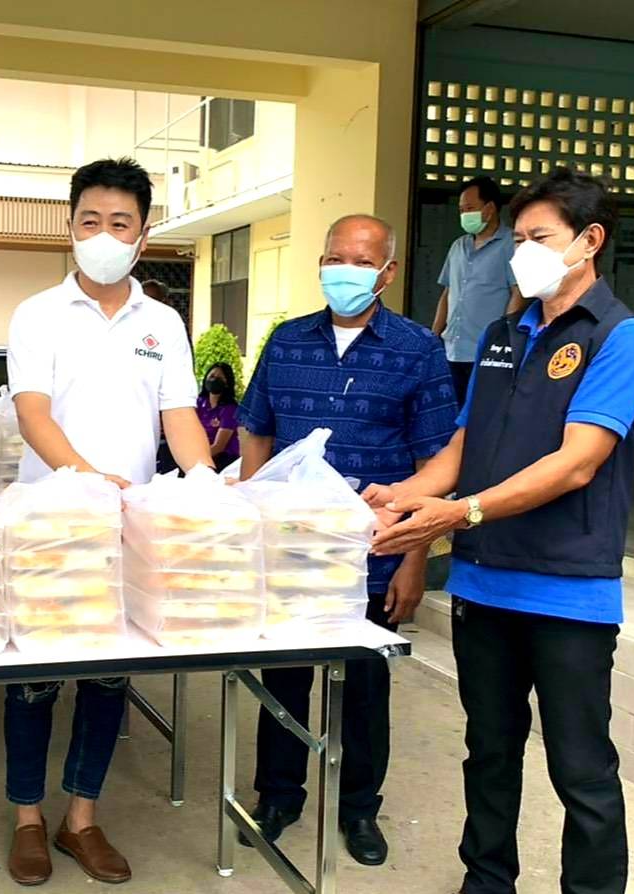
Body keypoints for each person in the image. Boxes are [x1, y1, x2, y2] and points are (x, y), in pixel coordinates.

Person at [365, 169, 634, 894]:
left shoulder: (621, 338)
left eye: (539, 237)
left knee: (580, 767)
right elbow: (464, 446)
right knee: (489, 751)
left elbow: (576, 463)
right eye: (519, 237)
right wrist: (402, 495)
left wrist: (461, 512)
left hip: (567, 592)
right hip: (483, 584)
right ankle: (487, 880)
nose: (523, 251)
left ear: (589, 241)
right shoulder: (503, 335)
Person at [5, 157, 214, 886]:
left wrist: (204, 483)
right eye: (89, 220)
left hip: (131, 525)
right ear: (69, 227)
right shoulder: (37, 314)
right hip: (51, 525)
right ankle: (27, 819)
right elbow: (33, 415)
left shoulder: (162, 322)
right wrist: (87, 479)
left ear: (143, 234)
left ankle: (81, 819)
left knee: (106, 677)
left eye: (119, 223)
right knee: (33, 677)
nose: (103, 234)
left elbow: (178, 415)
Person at [237, 213, 458, 867]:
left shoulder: (418, 349)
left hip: (374, 556)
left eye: (362, 261)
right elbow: (256, 431)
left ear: (387, 272)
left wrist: (414, 558)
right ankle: (279, 796)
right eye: (336, 257)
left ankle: (359, 808)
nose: (346, 271)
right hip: (292, 549)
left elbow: (434, 461)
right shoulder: (287, 342)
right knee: (282, 683)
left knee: (365, 690)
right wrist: (251, 519)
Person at [433, 176, 524, 405]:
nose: (464, 214)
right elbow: (448, 293)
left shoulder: (511, 244)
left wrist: (503, 337)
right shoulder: (458, 246)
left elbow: (518, 292)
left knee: (480, 412)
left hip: (485, 351)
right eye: (461, 210)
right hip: (451, 350)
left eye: (469, 208)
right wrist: (434, 336)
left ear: (490, 208)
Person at [197, 362, 240, 472]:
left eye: (219, 378)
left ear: (227, 383)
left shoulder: (230, 409)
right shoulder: (199, 402)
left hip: (223, 459)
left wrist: (196, 460)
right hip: (200, 453)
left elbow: (219, 446)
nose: (214, 380)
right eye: (211, 376)